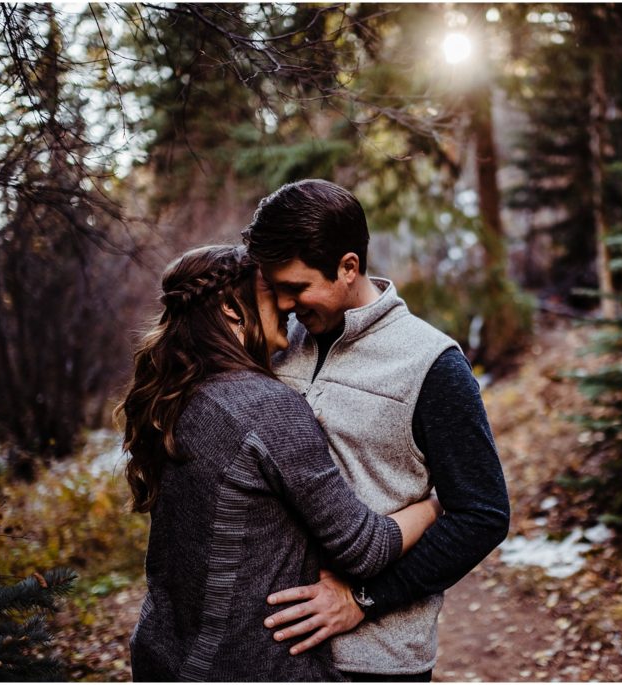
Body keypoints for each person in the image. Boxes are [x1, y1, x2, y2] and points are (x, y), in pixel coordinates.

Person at [118, 244, 441, 681]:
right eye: (273, 291)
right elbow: (363, 549)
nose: (288, 304)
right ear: (233, 309)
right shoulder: (265, 406)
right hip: (248, 668)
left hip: (163, 658)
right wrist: (434, 504)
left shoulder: (173, 398)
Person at [242, 180, 511, 681]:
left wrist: (365, 599)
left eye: (296, 288)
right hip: (272, 654)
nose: (281, 304)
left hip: (375, 661)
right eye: (274, 288)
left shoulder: (431, 363)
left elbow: (483, 514)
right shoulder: (278, 345)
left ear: (348, 267)